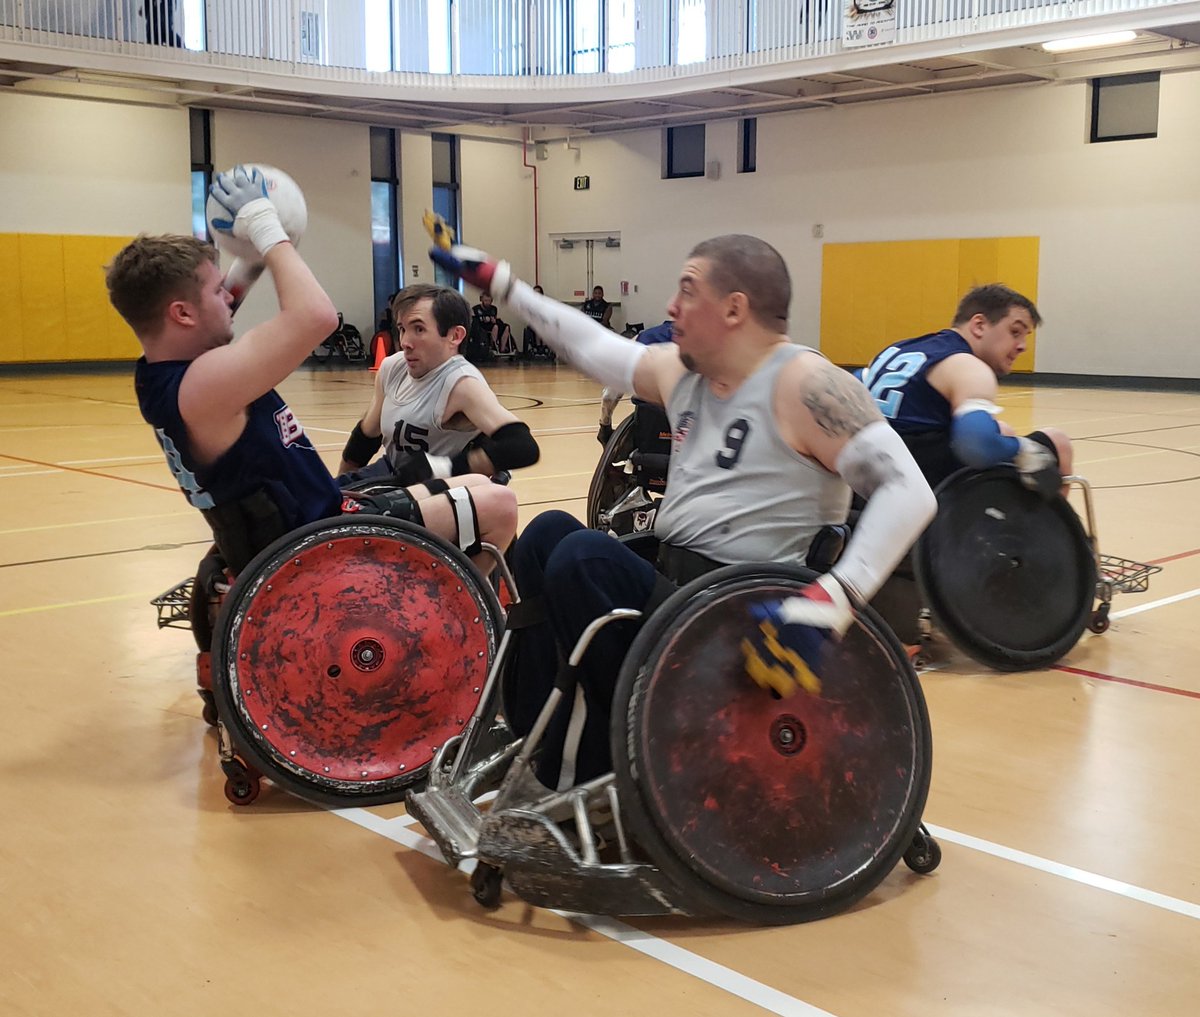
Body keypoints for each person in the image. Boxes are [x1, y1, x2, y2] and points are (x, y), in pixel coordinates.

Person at [432, 234, 937, 789]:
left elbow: (909, 490)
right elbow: (592, 345)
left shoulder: (807, 383)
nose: (671, 306)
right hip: (679, 587)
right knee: (547, 534)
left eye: (688, 290)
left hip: (740, 613)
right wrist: (505, 286)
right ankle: (534, 737)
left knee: (584, 557)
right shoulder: (684, 372)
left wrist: (833, 600)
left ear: (734, 308)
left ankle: (579, 774)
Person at [106, 167, 516, 577]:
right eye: (217, 291)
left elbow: (210, 317)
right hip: (315, 544)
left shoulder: (168, 373)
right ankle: (445, 608)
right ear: (182, 314)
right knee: (500, 504)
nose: (229, 297)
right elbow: (317, 316)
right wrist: (264, 223)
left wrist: (251, 258)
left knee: (479, 485)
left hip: (308, 522)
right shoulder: (203, 387)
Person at [860, 284, 1072, 495]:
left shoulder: (897, 349)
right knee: (1057, 442)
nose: (1022, 346)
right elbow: (976, 446)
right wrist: (1024, 450)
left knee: (1002, 430)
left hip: (863, 478)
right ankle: (1049, 517)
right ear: (979, 325)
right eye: (1015, 332)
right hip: (921, 485)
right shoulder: (968, 367)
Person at [336, 283, 540, 488]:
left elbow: (522, 446)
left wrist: (441, 468)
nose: (405, 342)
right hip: (393, 472)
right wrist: (338, 493)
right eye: (402, 329)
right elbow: (364, 438)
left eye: (419, 329)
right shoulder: (393, 367)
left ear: (454, 336)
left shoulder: (462, 384)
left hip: (435, 490)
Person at [597, 319, 674, 445]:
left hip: (649, 423)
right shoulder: (703, 342)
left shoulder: (643, 339)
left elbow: (609, 394)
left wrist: (605, 425)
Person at [471, 291, 516, 357]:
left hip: (492, 325)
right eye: (485, 300)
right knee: (495, 327)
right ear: (481, 300)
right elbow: (474, 321)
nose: (487, 302)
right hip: (481, 327)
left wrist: (493, 320)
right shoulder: (476, 309)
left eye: (489, 300)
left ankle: (502, 349)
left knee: (506, 327)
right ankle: (493, 347)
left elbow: (495, 319)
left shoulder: (493, 309)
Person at [521, 285, 556, 362]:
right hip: (534, 324)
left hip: (544, 324)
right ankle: (538, 347)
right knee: (537, 326)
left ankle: (544, 347)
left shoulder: (545, 304)